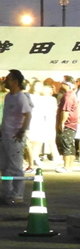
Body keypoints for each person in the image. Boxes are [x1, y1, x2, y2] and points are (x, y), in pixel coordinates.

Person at [0, 70, 32, 206]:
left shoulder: (21, 97)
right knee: (5, 166)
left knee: (16, 167)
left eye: (9, 79)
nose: (6, 81)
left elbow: (28, 114)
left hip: (15, 137)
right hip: (5, 136)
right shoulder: (8, 96)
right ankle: (7, 193)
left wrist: (22, 130)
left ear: (16, 82)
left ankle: (17, 194)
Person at [55, 77, 79, 173]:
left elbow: (65, 110)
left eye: (63, 83)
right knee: (70, 144)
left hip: (68, 123)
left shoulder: (67, 96)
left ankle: (66, 166)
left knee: (66, 144)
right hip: (72, 124)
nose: (61, 84)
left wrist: (62, 122)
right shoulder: (72, 94)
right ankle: (69, 166)